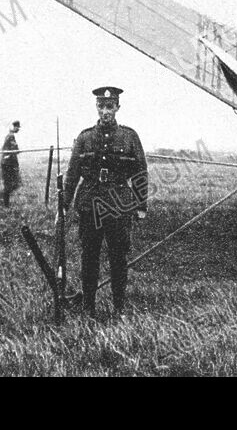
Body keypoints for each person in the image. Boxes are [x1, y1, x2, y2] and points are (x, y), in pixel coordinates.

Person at [63, 86, 148, 318]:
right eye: (101, 106)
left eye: (110, 107)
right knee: (89, 257)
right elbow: (72, 174)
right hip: (90, 204)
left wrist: (141, 205)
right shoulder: (85, 137)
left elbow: (140, 172)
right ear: (97, 108)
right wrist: (64, 203)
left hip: (119, 205)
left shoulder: (130, 137)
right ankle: (88, 307)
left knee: (118, 257)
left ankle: (119, 307)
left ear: (117, 107)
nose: (105, 111)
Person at [0, 120, 22, 206]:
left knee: (11, 184)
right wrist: (16, 151)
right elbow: (15, 150)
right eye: (17, 127)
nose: (18, 129)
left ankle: (6, 203)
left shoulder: (9, 136)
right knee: (11, 184)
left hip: (7, 163)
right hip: (8, 164)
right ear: (13, 127)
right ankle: (6, 204)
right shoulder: (11, 136)